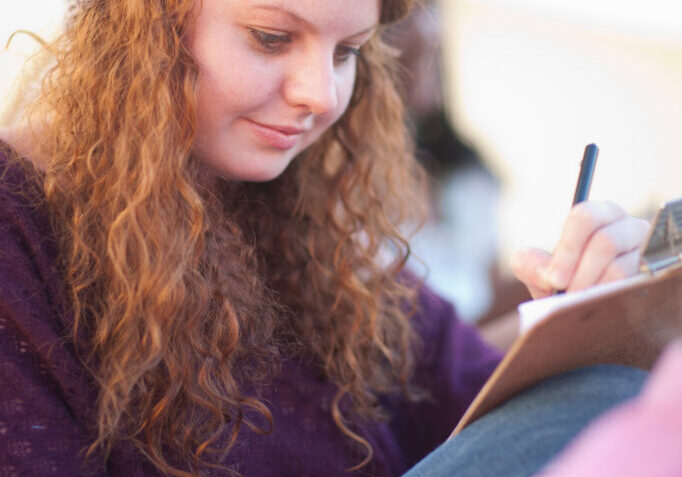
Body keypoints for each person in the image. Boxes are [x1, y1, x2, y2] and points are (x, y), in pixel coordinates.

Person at [0, 0, 650, 476]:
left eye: (347, 53)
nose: (320, 94)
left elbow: (465, 384)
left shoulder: (297, 215)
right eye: (271, 37)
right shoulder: (17, 228)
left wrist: (586, 313)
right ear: (143, 23)